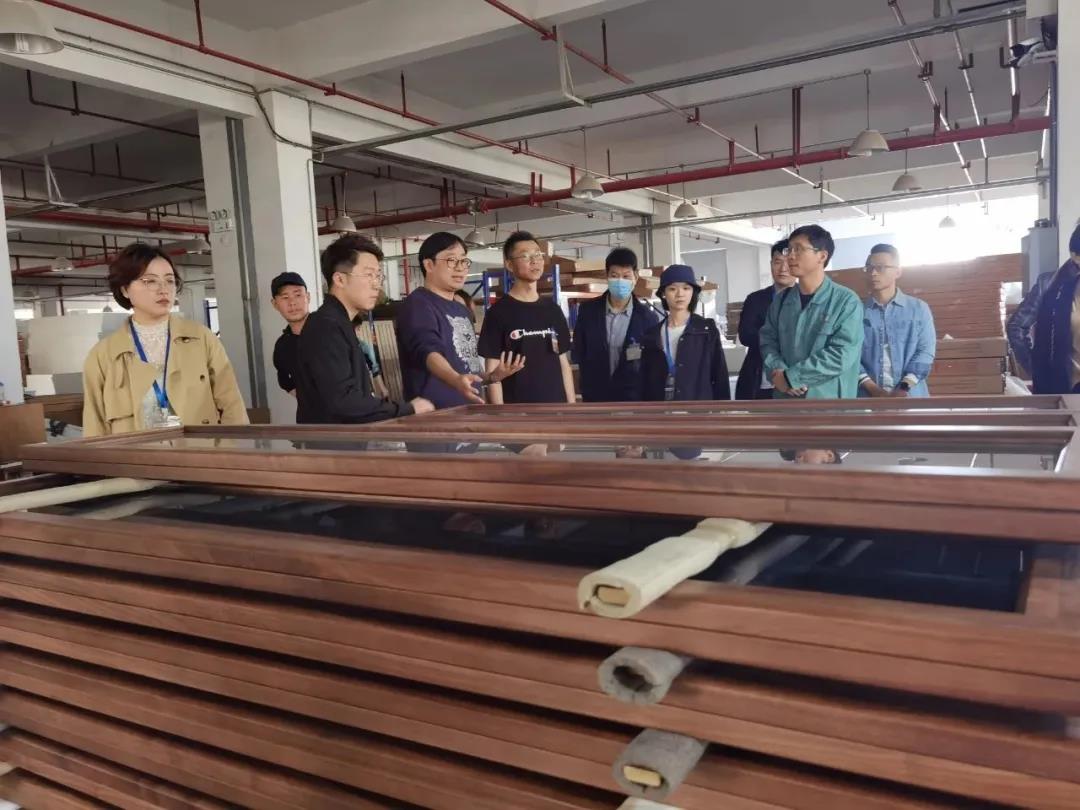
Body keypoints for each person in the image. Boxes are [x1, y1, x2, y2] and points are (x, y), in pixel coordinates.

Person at [82, 243, 248, 436]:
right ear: (125, 289)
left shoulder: (202, 339)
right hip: (135, 454)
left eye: (169, 280)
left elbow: (232, 405)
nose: (163, 289)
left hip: (200, 451)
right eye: (150, 281)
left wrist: (232, 450)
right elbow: (94, 424)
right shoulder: (104, 355)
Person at [296, 233, 433, 423]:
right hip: (330, 441)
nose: (376, 284)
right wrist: (407, 409)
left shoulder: (340, 324)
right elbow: (343, 402)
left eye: (378, 276)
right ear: (340, 279)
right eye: (369, 275)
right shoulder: (326, 327)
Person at [396, 231, 523, 409]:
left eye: (463, 261)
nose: (460, 267)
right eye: (451, 260)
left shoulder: (461, 309)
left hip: (470, 413)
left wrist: (492, 377)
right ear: (429, 265)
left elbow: (468, 367)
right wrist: (455, 379)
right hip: (436, 416)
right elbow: (427, 350)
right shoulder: (418, 305)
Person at [759, 225, 863, 399]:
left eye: (799, 249)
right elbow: (768, 342)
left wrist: (792, 377)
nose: (791, 256)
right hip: (786, 402)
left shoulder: (845, 301)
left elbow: (842, 354)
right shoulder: (781, 301)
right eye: (789, 249)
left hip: (828, 403)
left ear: (822, 256)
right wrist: (779, 372)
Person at [478, 231, 575, 405]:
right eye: (525, 256)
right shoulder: (498, 313)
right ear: (509, 264)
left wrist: (572, 407)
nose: (534, 261)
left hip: (557, 409)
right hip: (518, 411)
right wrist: (500, 414)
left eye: (538, 255)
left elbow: (563, 364)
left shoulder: (553, 310)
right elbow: (493, 369)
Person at [571, 247, 660, 402]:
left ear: (635, 277)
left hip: (633, 401)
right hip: (595, 399)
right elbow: (578, 353)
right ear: (607, 276)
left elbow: (651, 366)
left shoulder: (648, 319)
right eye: (614, 275)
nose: (620, 281)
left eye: (626, 276)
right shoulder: (588, 312)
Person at [1007, 224, 1080, 392]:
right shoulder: (1049, 285)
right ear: (1075, 256)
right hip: (1062, 388)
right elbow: (1016, 326)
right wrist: (1037, 368)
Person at [641, 264, 730, 402]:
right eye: (672, 289)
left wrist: (723, 408)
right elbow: (645, 380)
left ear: (693, 292)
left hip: (697, 410)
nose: (680, 294)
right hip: (660, 410)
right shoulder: (652, 334)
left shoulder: (706, 330)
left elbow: (720, 375)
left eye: (686, 288)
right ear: (663, 293)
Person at [858, 244, 936, 398]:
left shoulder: (918, 309)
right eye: (869, 268)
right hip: (866, 399)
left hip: (910, 397)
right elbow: (851, 355)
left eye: (881, 267)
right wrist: (873, 390)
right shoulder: (856, 311)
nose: (873, 273)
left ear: (898, 272)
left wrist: (903, 387)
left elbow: (925, 351)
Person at [734, 238, 797, 400]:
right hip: (759, 375)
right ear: (771, 264)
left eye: (788, 262)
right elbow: (746, 335)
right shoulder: (755, 299)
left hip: (795, 379)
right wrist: (781, 338)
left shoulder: (806, 299)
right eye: (777, 262)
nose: (783, 268)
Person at [270, 271, 310, 398]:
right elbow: (285, 380)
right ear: (275, 304)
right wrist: (308, 400)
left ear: (308, 297)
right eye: (285, 297)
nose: (292, 302)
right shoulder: (282, 346)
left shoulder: (330, 331)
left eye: (297, 295)